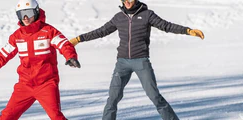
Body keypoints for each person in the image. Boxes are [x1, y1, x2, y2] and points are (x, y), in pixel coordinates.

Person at [68, 0, 204, 120]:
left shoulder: (147, 15)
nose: (127, 1)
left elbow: (166, 26)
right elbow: (101, 31)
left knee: (155, 96)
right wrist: (79, 39)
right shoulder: (118, 18)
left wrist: (188, 30)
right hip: (122, 63)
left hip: (141, 61)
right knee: (112, 99)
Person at [0, 0, 80, 119]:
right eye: (21, 14)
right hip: (25, 85)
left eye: (28, 12)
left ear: (36, 12)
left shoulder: (49, 31)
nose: (25, 17)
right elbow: (1, 58)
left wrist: (71, 57)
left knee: (56, 116)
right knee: (7, 116)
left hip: (46, 84)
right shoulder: (17, 36)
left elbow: (64, 45)